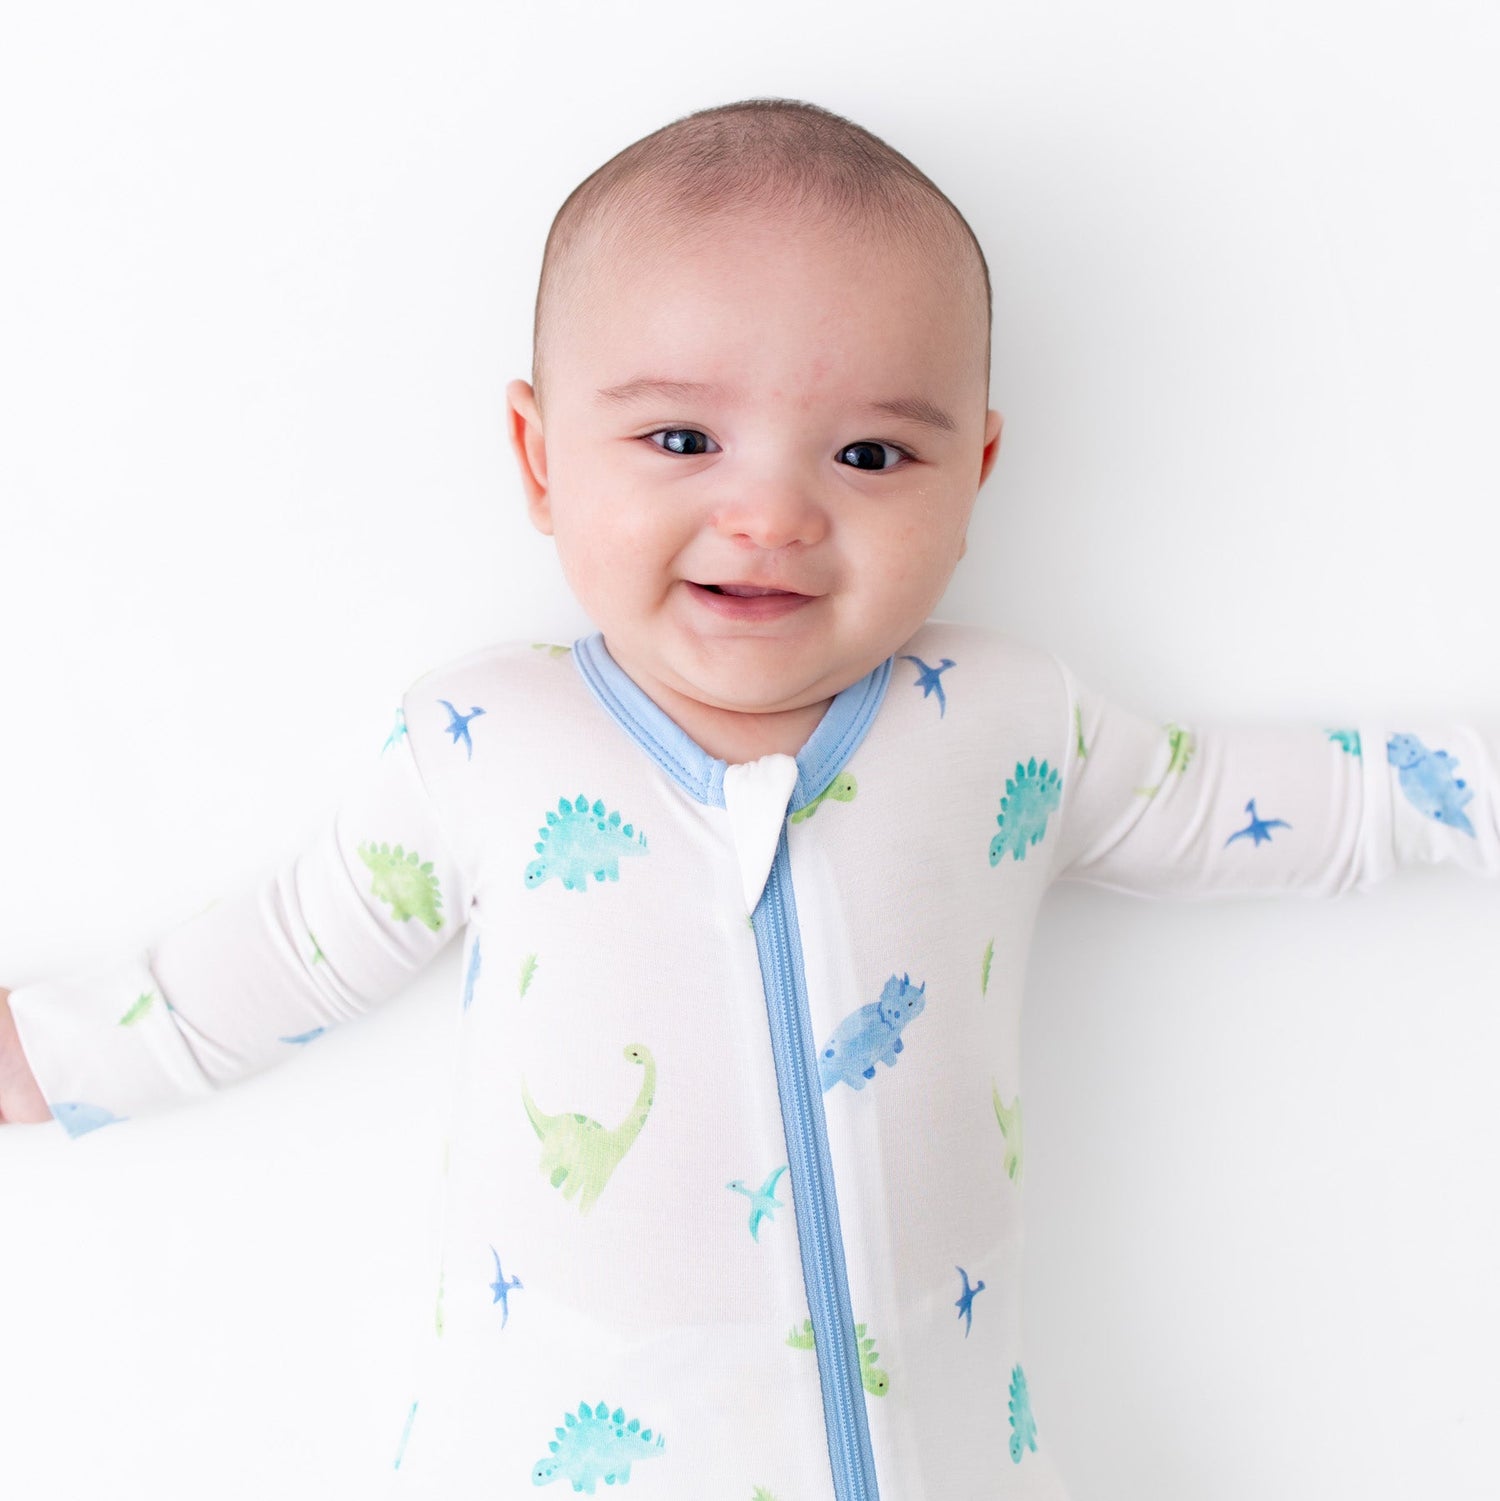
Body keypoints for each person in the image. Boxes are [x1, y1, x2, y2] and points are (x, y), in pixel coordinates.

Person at [2, 97, 1496, 1501]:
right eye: (680, 440)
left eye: (870, 453)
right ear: (539, 456)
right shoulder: (487, 740)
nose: (773, 512)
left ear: (973, 475)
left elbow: (1259, 803)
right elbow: (274, 959)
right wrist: (45, 1052)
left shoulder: (1009, 724)